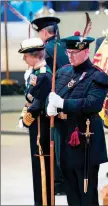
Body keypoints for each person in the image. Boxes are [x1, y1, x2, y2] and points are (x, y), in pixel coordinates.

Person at [46, 31, 108, 205]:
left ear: (86, 52)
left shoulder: (97, 76)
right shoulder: (62, 73)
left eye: (75, 53)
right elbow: (53, 95)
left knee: (86, 191)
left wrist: (63, 103)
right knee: (71, 190)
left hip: (85, 139)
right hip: (63, 137)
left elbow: (92, 104)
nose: (71, 56)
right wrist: (50, 106)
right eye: (68, 52)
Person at [31, 16, 69, 195]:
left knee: (52, 141)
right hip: (66, 100)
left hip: (52, 102)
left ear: (45, 32)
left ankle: (58, 182)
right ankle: (63, 181)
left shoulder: (46, 49)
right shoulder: (62, 46)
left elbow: (44, 78)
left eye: (40, 32)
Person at [18, 38, 52, 206]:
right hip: (36, 126)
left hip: (41, 127)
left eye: (25, 56)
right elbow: (30, 100)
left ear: (33, 56)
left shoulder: (44, 75)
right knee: (37, 167)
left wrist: (26, 120)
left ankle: (43, 202)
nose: (24, 59)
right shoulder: (36, 73)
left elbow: (37, 104)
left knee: (42, 167)